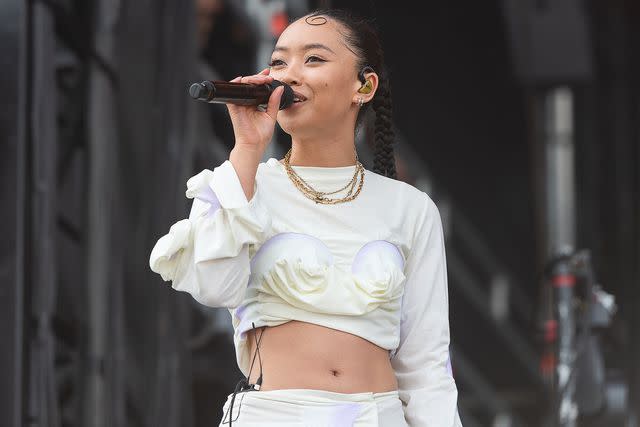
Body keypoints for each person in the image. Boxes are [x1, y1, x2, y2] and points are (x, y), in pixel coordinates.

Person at [149, 8, 463, 426]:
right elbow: (212, 287)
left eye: (313, 59)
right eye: (279, 62)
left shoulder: (409, 208)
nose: (290, 75)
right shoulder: (242, 185)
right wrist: (246, 148)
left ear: (363, 86)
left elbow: (426, 365)